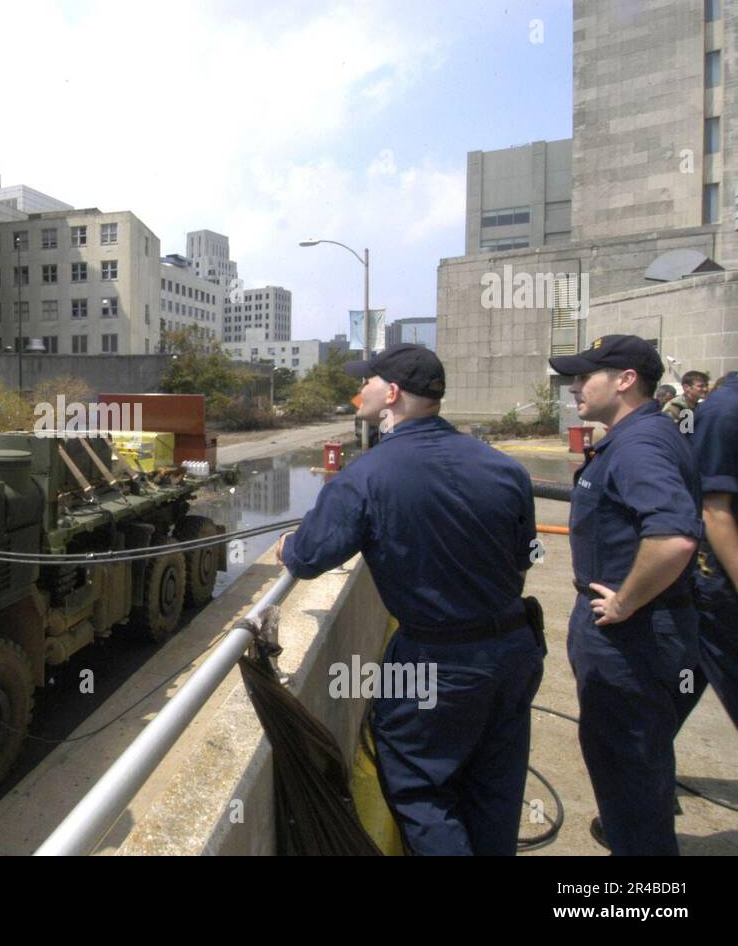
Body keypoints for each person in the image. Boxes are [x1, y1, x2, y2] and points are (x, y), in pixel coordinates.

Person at [276, 344, 543, 855]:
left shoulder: (367, 475)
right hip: (512, 651)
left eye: (368, 383)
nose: (359, 392)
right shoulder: (504, 468)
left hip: (435, 663)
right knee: (494, 791)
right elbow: (523, 558)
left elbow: (308, 557)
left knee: (420, 788)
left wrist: (291, 545)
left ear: (392, 394)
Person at [549, 335, 701, 855]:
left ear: (625, 379)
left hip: (632, 638)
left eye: (583, 377)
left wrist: (625, 601)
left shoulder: (638, 445)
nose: (573, 387)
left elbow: (674, 537)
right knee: (636, 771)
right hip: (642, 633)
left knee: (629, 774)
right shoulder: (638, 435)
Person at [678, 367, 738, 730]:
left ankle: (640, 764)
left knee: (689, 673)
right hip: (722, 583)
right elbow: (715, 513)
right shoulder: (723, 412)